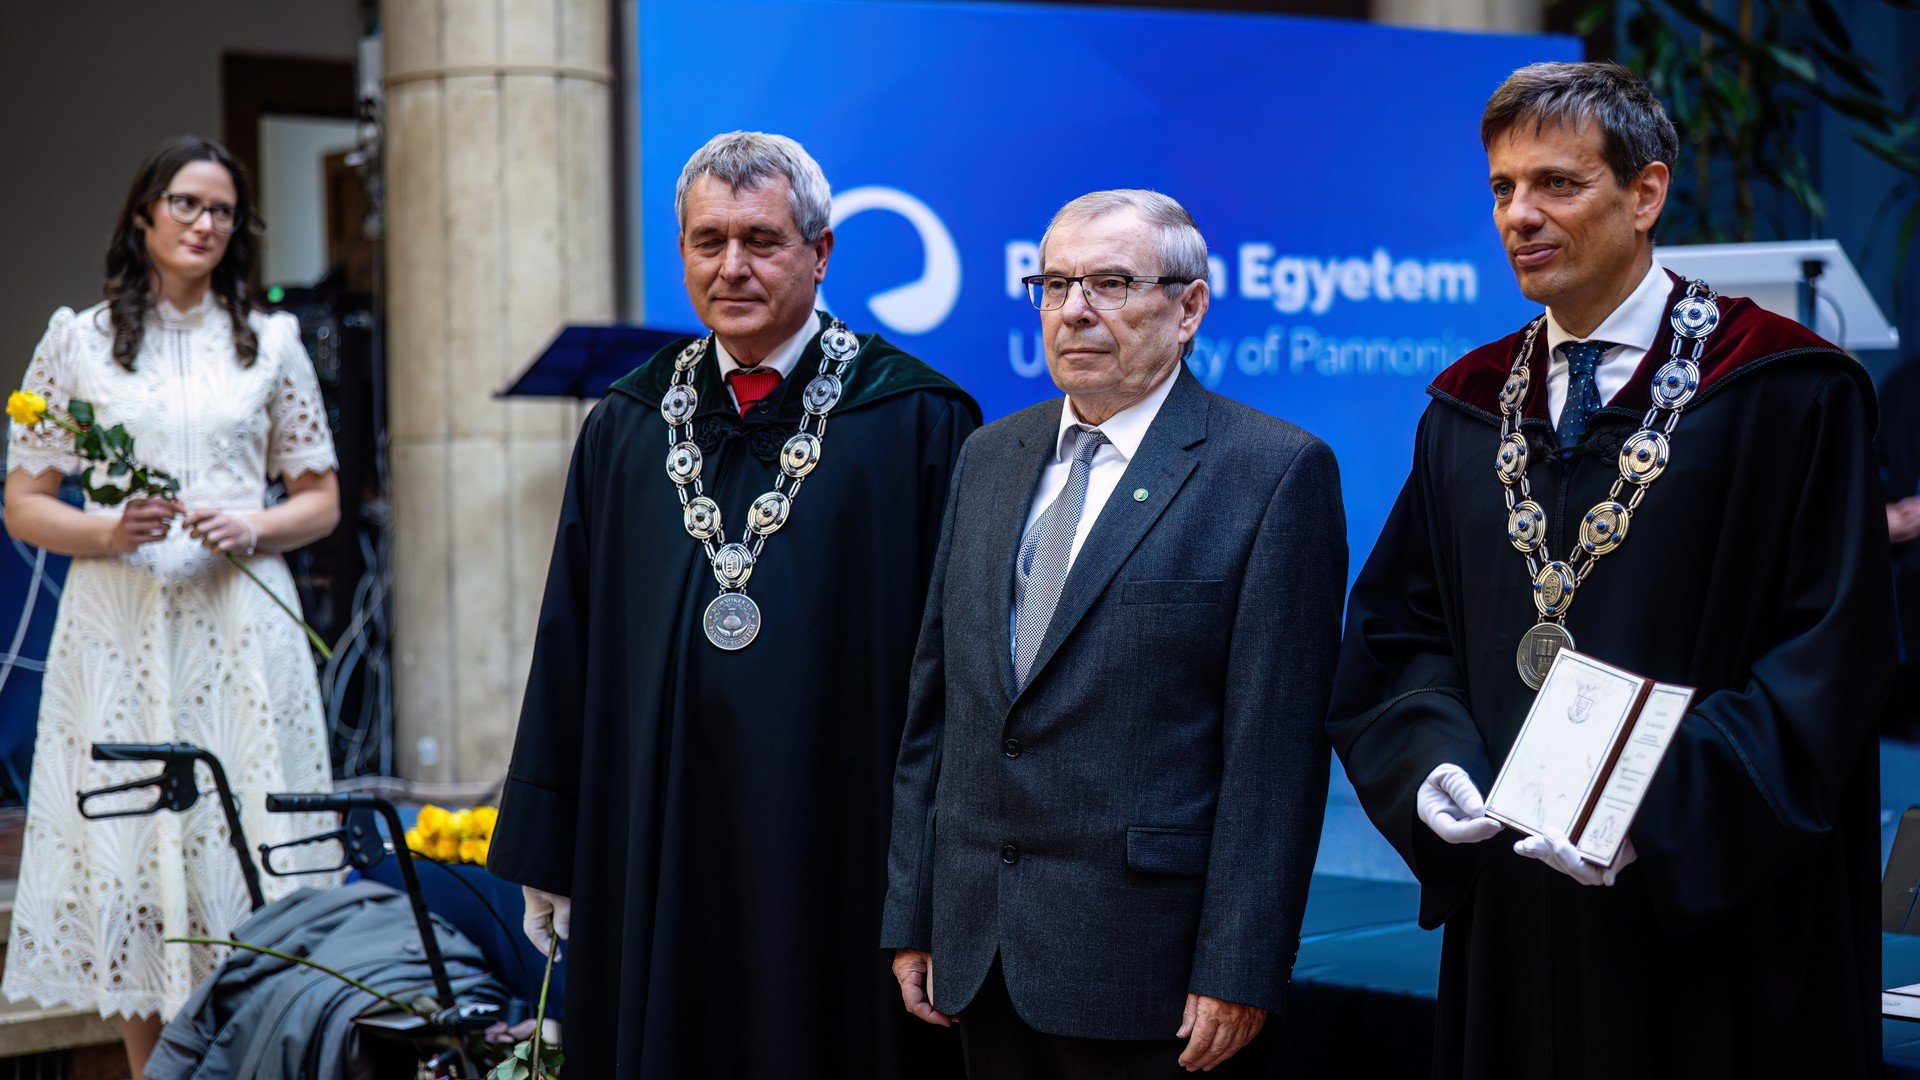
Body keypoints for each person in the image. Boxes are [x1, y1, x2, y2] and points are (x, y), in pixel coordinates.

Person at [1328, 61, 1890, 1077]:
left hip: (1715, 916)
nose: (1519, 215)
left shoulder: (1786, 390)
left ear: (1645, 193)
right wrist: (1432, 764)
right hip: (1517, 908)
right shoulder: (1466, 408)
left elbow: (1830, 652)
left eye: (1557, 183)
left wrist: (1650, 807)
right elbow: (1401, 635)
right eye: (1502, 188)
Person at [487, 131, 979, 1078]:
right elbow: (569, 640)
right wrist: (550, 843)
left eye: (761, 240)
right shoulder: (627, 423)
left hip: (841, 841)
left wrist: (939, 883)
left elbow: (958, 680)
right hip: (656, 829)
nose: (732, 267)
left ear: (820, 252)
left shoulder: (918, 420)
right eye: (708, 241)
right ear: (681, 251)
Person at [883, 189, 1346, 1077]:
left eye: (1111, 283)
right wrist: (913, 911)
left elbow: (1275, 759)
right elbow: (936, 710)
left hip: (1152, 976)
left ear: (1189, 308)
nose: (1074, 310)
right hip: (980, 954)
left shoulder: (1272, 473)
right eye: (1055, 284)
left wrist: (1240, 966)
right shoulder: (989, 456)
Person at [2, 135, 341, 1077]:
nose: (204, 223)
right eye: (187, 203)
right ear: (145, 214)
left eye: (222, 210)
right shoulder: (76, 341)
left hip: (240, 623)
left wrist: (253, 523)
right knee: (139, 857)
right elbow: (23, 504)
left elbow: (321, 499)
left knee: (249, 846)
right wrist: (109, 530)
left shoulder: (271, 343)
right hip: (121, 626)